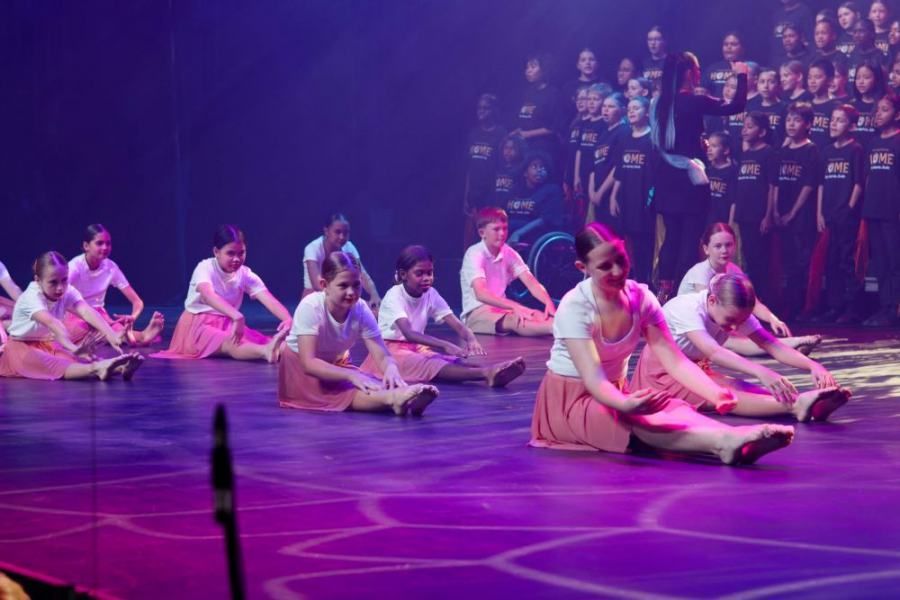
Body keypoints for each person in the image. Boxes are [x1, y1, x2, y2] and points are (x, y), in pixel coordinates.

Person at [529, 223, 795, 466]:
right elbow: (594, 380)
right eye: (605, 266)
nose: (619, 271)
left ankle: (729, 435)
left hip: (615, 392)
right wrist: (623, 405)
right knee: (635, 421)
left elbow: (675, 360)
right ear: (582, 268)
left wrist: (714, 392)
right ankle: (723, 443)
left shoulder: (641, 298)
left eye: (621, 260)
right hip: (571, 402)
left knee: (672, 407)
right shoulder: (575, 307)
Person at [633, 272, 849, 422]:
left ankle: (801, 404)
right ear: (712, 300)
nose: (735, 327)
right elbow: (714, 351)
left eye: (740, 321)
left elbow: (771, 344)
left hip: (695, 369)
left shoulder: (733, 308)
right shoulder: (686, 309)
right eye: (731, 320)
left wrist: (813, 366)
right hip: (663, 373)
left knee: (742, 387)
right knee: (725, 395)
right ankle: (797, 406)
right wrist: (762, 371)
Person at [278, 251, 439, 415]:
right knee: (344, 393)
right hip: (301, 370)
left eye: (356, 285)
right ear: (324, 285)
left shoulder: (361, 308)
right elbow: (309, 363)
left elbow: (382, 354)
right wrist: (350, 375)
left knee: (370, 383)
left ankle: (400, 400)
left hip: (335, 364)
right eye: (343, 286)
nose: (351, 292)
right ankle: (393, 399)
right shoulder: (311, 307)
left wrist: (391, 369)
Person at [650, 51, 748, 302]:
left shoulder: (658, 103)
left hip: (666, 178)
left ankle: (664, 291)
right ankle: (687, 295)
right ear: (687, 73)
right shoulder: (694, 101)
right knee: (690, 238)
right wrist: (742, 76)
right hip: (689, 181)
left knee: (671, 236)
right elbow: (736, 106)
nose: (699, 73)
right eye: (697, 69)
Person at [360, 245, 526, 386]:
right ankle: (486, 374)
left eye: (429, 273)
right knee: (432, 365)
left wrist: (470, 338)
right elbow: (409, 333)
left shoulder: (431, 293)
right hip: (388, 352)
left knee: (451, 361)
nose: (426, 278)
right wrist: (444, 344)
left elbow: (454, 322)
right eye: (419, 274)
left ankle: (491, 371)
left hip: (414, 348)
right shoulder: (394, 295)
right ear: (403, 275)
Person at [679, 222, 821, 356]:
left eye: (728, 245)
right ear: (706, 249)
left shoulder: (733, 270)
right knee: (735, 341)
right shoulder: (700, 273)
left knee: (750, 333)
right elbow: (709, 313)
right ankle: (795, 344)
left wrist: (773, 319)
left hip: (720, 323)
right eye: (718, 246)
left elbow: (753, 303)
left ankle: (792, 348)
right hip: (695, 330)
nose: (724, 250)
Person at [153, 225, 291, 361]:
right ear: (216, 252)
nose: (236, 259)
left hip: (226, 323)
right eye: (230, 253)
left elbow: (269, 300)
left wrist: (287, 319)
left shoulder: (245, 274)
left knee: (263, 340)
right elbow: (207, 295)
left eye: (241, 253)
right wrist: (236, 316)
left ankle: (288, 351)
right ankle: (265, 352)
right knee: (231, 344)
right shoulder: (205, 267)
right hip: (197, 325)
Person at [0, 251, 143, 381]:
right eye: (53, 282)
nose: (60, 287)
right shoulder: (31, 297)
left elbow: (86, 311)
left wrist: (111, 334)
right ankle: (98, 369)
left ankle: (119, 368)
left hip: (46, 343)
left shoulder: (67, 291)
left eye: (64, 280)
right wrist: (73, 347)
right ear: (38, 280)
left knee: (72, 359)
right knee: (55, 364)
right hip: (20, 348)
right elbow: (53, 324)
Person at [63, 224, 164, 347]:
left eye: (108, 243)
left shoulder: (110, 267)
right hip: (75, 315)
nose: (105, 247)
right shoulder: (74, 267)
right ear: (86, 246)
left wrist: (132, 317)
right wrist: (88, 317)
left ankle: (138, 336)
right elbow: (60, 299)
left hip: (99, 315)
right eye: (99, 243)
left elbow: (137, 302)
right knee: (97, 332)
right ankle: (135, 337)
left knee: (106, 330)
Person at [460, 207, 555, 336]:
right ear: (482, 233)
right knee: (515, 319)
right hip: (477, 312)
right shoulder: (475, 254)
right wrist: (514, 306)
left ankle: (563, 326)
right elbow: (481, 294)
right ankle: (557, 329)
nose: (502, 233)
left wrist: (548, 302)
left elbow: (531, 282)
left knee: (535, 314)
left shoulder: (508, 252)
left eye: (504, 228)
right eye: (496, 229)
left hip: (501, 308)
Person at [815, 104, 865, 323]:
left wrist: (850, 208)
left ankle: (852, 308)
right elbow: (821, 185)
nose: (833, 124)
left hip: (846, 216)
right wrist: (819, 213)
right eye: (832, 119)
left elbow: (858, 183)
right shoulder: (826, 151)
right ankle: (835, 306)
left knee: (846, 262)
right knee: (831, 261)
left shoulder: (855, 150)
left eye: (840, 120)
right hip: (829, 215)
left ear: (851, 126)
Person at [774, 102, 820, 319]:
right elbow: (774, 183)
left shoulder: (811, 150)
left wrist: (792, 212)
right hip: (780, 213)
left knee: (801, 264)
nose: (791, 124)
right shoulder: (782, 151)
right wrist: (774, 210)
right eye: (788, 119)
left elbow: (809, 185)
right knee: (787, 262)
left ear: (808, 124)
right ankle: (788, 307)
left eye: (797, 120)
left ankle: (801, 308)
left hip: (801, 216)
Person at [861, 94, 900, 326]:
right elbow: (868, 177)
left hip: (892, 211)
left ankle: (894, 307)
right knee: (881, 263)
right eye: (877, 110)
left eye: (884, 110)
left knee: (895, 261)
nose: (878, 114)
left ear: (897, 114)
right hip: (873, 210)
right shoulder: (873, 142)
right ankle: (885, 307)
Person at [610, 96, 657, 284]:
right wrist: (613, 196)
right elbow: (619, 171)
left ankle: (644, 281)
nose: (631, 111)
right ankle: (630, 277)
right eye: (629, 108)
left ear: (646, 113)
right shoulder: (624, 138)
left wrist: (650, 200)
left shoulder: (652, 139)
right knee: (626, 239)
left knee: (643, 242)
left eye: (636, 108)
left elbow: (655, 175)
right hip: (626, 198)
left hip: (644, 199)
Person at [732, 112, 779, 300]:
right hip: (744, 214)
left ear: (762, 132)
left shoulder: (768, 153)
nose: (745, 129)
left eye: (750, 126)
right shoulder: (745, 154)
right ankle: (753, 301)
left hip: (758, 215)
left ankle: (765, 302)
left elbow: (772, 186)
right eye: (744, 125)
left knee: (761, 261)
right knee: (750, 258)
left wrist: (768, 215)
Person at [301, 213, 381, 308]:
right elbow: (317, 284)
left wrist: (374, 294)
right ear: (326, 231)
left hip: (342, 298)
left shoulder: (349, 247)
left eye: (346, 233)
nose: (342, 237)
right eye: (337, 232)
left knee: (376, 312)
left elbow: (362, 275)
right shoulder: (313, 248)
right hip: (315, 300)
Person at [463, 93, 507, 245]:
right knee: (470, 235)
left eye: (486, 108)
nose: (481, 111)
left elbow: (502, 165)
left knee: (488, 233)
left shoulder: (500, 133)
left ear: (494, 110)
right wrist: (466, 194)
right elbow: (470, 166)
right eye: (479, 108)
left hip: (490, 191)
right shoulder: (473, 133)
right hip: (474, 192)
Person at [512, 54, 563, 172]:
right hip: (525, 149)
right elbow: (526, 119)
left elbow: (554, 127)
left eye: (533, 67)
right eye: (527, 67)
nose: (528, 71)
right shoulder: (527, 93)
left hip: (544, 150)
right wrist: (517, 132)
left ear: (544, 70)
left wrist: (528, 134)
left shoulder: (553, 94)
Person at [587, 93, 629, 224]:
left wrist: (601, 192)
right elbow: (594, 164)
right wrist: (592, 191)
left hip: (610, 194)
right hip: (597, 194)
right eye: (604, 106)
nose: (605, 109)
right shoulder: (603, 133)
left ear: (622, 110)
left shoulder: (623, 132)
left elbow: (618, 166)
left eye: (611, 106)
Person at [506, 153, 565, 245]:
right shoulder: (515, 191)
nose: (539, 170)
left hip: (534, 235)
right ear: (525, 172)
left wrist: (519, 233)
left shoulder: (551, 190)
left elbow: (545, 220)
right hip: (508, 232)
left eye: (542, 167)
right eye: (535, 166)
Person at [748, 68, 788, 148]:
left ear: (778, 85)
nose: (766, 86)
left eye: (771, 82)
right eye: (762, 82)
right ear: (757, 84)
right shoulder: (752, 107)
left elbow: (789, 136)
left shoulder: (785, 108)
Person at [853, 60, 888, 147]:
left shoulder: (884, 107)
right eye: (858, 77)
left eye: (866, 77)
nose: (861, 82)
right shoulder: (851, 106)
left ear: (876, 79)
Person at [706, 132, 738, 224]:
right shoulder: (707, 170)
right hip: (706, 221)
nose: (709, 150)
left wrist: (730, 224)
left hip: (722, 222)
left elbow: (733, 202)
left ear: (726, 150)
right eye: (709, 146)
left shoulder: (732, 172)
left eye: (714, 146)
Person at [807, 58, 838, 147]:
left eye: (817, 77)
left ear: (830, 80)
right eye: (809, 77)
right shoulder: (804, 106)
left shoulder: (836, 107)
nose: (812, 81)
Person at [705, 32, 746, 99]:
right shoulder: (713, 69)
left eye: (734, 44)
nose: (729, 47)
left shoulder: (749, 68)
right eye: (725, 44)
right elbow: (703, 91)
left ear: (742, 48)